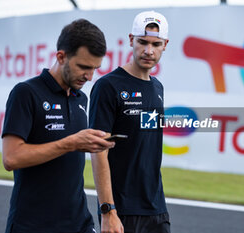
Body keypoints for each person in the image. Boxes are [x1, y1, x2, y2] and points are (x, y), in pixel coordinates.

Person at [2, 19, 115, 233]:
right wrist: (71, 143)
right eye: (83, 67)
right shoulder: (25, 93)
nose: (89, 77)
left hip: (79, 223)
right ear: (61, 56)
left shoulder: (81, 98)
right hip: (32, 225)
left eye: (95, 69)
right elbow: (11, 158)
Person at [89, 11, 170, 233]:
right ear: (131, 40)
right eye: (142, 42)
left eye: (156, 44)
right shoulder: (108, 86)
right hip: (122, 210)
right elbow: (98, 152)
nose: (148, 50)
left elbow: (146, 144)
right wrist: (108, 211)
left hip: (156, 208)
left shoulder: (157, 88)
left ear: (165, 45)